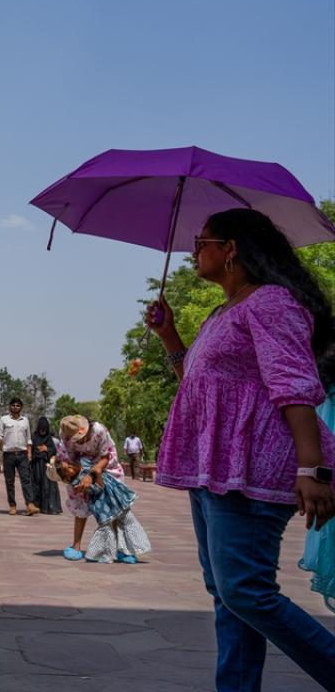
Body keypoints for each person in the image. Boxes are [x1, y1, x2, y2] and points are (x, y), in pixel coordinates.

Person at [147, 207, 335, 690]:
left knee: (247, 592)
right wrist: (169, 335)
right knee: (227, 594)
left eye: (202, 242)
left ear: (230, 250)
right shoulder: (221, 314)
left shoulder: (271, 303)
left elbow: (295, 385)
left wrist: (311, 468)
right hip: (215, 467)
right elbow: (197, 383)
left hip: (253, 464)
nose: (194, 252)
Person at [49, 456, 150, 563]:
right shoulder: (78, 483)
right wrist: (97, 474)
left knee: (127, 521)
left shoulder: (84, 460)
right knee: (108, 528)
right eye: (67, 469)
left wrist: (98, 469)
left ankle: (127, 551)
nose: (71, 466)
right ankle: (107, 553)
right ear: (67, 478)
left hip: (116, 498)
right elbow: (98, 488)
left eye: (69, 464)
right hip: (103, 506)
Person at [57, 415, 126, 561]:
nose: (78, 441)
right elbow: (67, 459)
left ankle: (118, 547)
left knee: (112, 507)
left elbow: (105, 457)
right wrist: (73, 472)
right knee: (79, 502)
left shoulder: (99, 431)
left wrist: (92, 475)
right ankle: (76, 546)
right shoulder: (65, 435)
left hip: (104, 466)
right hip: (79, 467)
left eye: (80, 437)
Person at [0, 398, 38, 515]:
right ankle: (12, 505)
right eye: (13, 405)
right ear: (10, 407)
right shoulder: (4, 419)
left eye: (18, 405)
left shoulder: (25, 420)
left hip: (22, 454)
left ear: (21, 407)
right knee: (9, 481)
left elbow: (28, 438)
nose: (15, 407)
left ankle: (30, 504)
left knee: (26, 480)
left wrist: (29, 453)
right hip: (8, 454)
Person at [29, 416, 62, 514]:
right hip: (36, 466)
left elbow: (55, 452)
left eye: (44, 430)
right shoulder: (33, 438)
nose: (42, 432)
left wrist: (47, 449)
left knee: (49, 486)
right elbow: (31, 450)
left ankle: (50, 508)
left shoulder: (49, 439)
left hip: (47, 466)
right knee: (36, 486)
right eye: (41, 429)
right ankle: (36, 506)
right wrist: (38, 451)